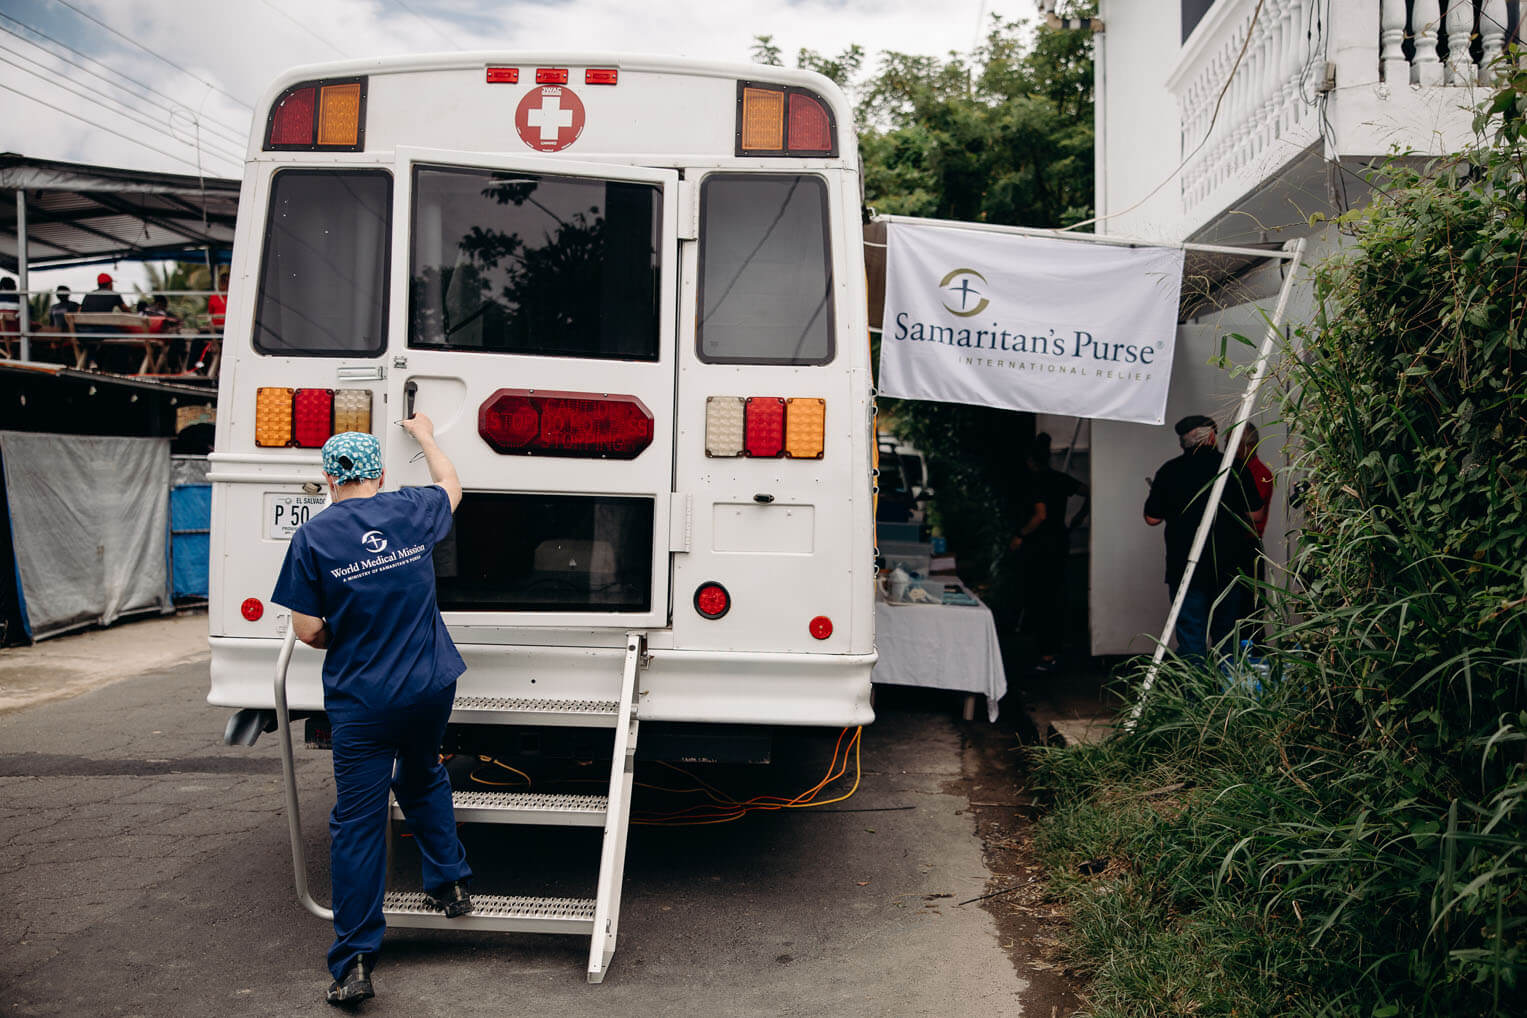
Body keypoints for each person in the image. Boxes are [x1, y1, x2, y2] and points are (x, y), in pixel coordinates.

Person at [271, 419, 474, 1006]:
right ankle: (452, 883)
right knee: (423, 772)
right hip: (431, 685)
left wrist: (350, 632)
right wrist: (428, 436)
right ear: (380, 475)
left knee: (358, 820)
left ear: (329, 478)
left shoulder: (313, 538)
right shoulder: (412, 510)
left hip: (364, 699)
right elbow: (453, 486)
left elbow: (307, 628)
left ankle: (356, 958)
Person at [1143, 414, 1263, 662]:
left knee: (1191, 638)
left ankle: (1194, 698)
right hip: (1228, 567)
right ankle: (1226, 697)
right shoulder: (1234, 467)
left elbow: (1151, 518)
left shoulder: (1169, 471)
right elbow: (1256, 513)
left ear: (1182, 443)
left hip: (1185, 567)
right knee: (1227, 636)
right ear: (1211, 437)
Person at [1010, 433, 1089, 672]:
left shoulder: (1035, 482)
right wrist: (1079, 516)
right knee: (1055, 595)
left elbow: (1040, 515)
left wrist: (1020, 535)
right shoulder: (1059, 478)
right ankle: (1054, 647)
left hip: (1040, 545)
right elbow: (1088, 491)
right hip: (1059, 540)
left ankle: (1046, 653)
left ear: (1031, 461)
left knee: (1041, 598)